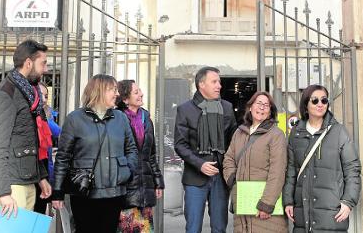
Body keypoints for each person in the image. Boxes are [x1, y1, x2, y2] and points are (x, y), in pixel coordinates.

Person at [52, 74, 138, 232]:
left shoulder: (121, 118)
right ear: (100, 91)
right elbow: (63, 157)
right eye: (113, 90)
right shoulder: (74, 119)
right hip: (84, 192)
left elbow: (131, 149)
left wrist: (127, 171)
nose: (117, 94)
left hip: (114, 192)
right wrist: (57, 191)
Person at [0, 39, 52, 221]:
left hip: (27, 181)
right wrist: (4, 193)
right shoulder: (4, 95)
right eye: (43, 63)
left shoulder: (27, 94)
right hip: (12, 186)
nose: (46, 69)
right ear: (28, 63)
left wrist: (41, 177)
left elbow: (28, 140)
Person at [283, 84, 361, 233]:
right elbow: (291, 171)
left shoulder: (339, 132)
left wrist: (348, 202)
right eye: (315, 100)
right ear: (305, 105)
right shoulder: (296, 134)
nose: (320, 104)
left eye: (324, 100)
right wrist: (288, 201)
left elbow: (352, 169)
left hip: (332, 213)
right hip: (302, 212)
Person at [174, 66, 237, 233]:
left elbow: (234, 142)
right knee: (193, 228)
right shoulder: (185, 109)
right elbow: (180, 144)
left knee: (219, 228)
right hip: (195, 177)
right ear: (201, 84)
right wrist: (200, 164)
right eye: (214, 82)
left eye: (219, 82)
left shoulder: (227, 108)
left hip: (220, 177)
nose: (219, 86)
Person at [222, 91, 287, 233]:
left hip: (264, 208)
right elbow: (228, 159)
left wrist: (267, 204)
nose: (262, 107)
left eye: (267, 105)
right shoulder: (239, 133)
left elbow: (277, 171)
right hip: (243, 202)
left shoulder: (276, 135)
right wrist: (233, 180)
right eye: (259, 103)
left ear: (270, 112)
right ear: (250, 107)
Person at [116, 80, 165, 233]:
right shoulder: (117, 118)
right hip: (126, 185)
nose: (141, 94)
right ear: (125, 99)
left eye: (140, 91)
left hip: (145, 187)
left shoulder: (146, 118)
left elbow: (151, 154)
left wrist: (158, 181)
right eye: (136, 92)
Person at [33, 82, 61, 214]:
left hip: (44, 174)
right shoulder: (30, 116)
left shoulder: (46, 114)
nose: (44, 99)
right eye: (41, 95)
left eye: (46, 96)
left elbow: (57, 132)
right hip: (30, 177)